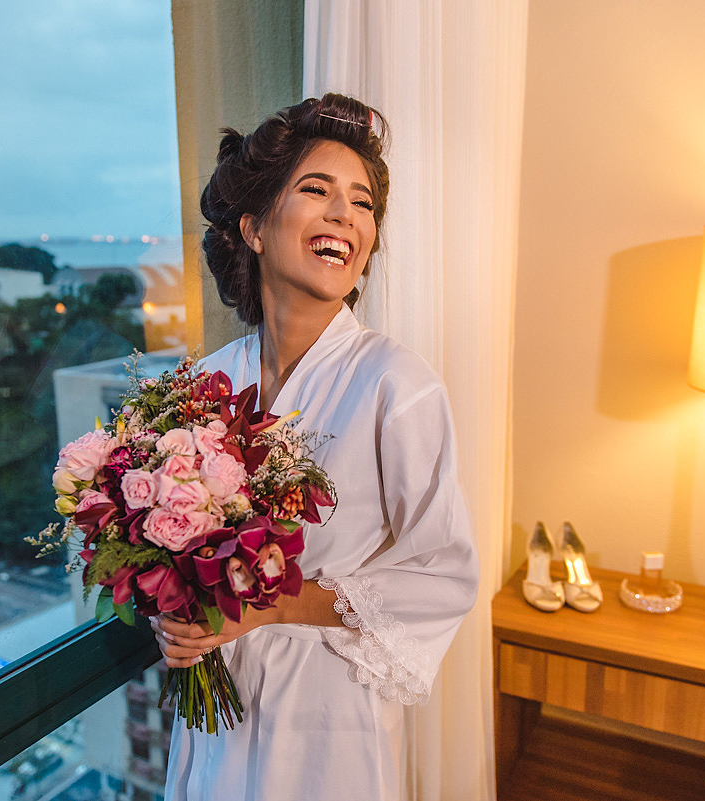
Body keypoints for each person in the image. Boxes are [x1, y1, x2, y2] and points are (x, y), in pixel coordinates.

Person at [151, 93, 479, 800]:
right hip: (215, 713)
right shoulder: (210, 381)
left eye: (363, 204)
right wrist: (175, 615)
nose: (346, 216)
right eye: (317, 190)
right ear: (255, 227)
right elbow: (177, 546)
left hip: (325, 720)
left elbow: (442, 574)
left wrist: (271, 606)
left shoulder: (398, 386)